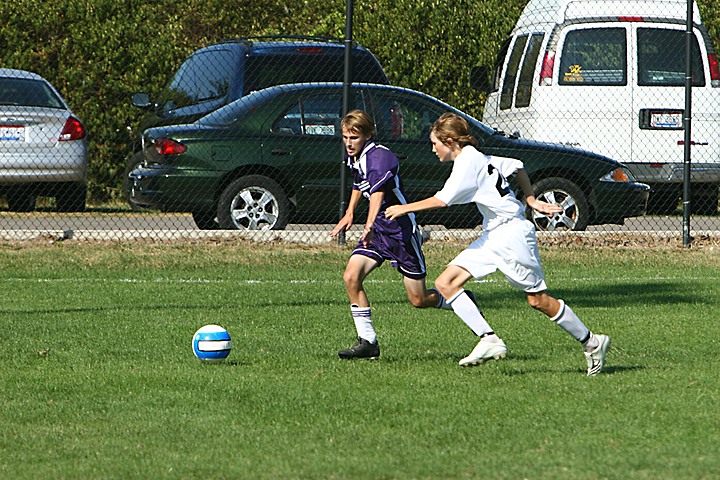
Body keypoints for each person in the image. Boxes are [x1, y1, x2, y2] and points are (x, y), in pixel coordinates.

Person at [385, 112, 610, 376]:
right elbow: (518, 165)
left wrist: (403, 209)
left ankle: (592, 342)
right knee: (446, 283)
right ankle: (488, 338)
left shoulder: (467, 162)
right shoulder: (480, 157)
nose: (433, 148)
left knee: (538, 300)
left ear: (450, 140)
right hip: (493, 234)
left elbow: (442, 200)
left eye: (435, 142)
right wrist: (530, 198)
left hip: (512, 236)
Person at [330, 109, 461, 360]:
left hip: (399, 232)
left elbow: (378, 194)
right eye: (345, 137)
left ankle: (459, 300)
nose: (348, 142)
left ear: (368, 136)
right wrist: (349, 213)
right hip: (378, 233)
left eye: (354, 138)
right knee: (351, 276)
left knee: (418, 300)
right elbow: (359, 182)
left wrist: (367, 225)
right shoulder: (356, 156)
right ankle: (368, 342)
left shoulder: (380, 157)